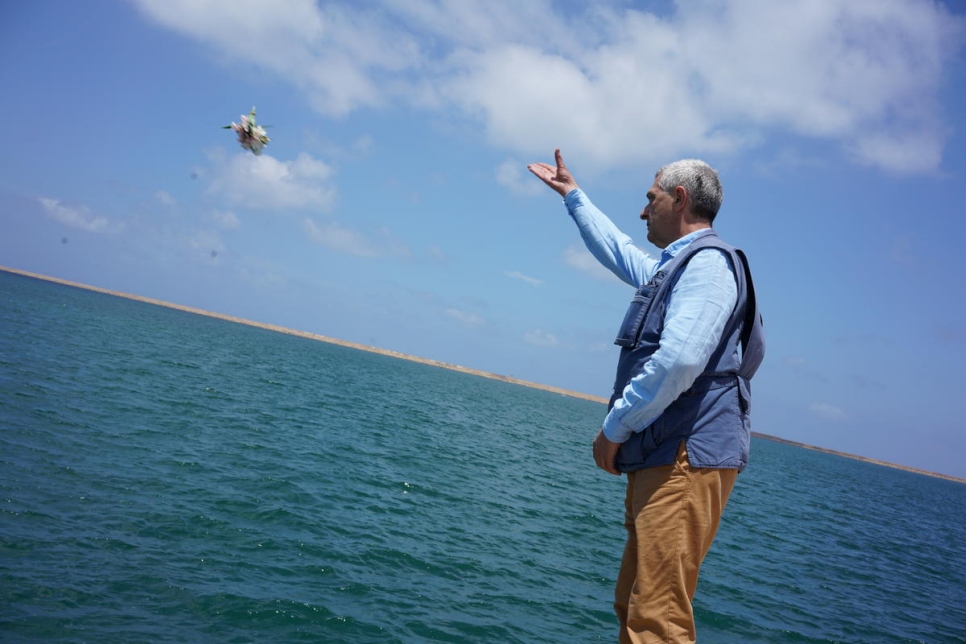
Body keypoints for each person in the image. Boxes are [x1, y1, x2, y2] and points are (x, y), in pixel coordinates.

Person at [528, 149, 764, 643]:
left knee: (656, 618)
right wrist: (574, 197)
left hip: (685, 457)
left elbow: (679, 361)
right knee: (633, 602)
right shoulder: (677, 268)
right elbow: (618, 250)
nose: (642, 211)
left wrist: (613, 429)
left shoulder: (707, 267)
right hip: (668, 452)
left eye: (650, 199)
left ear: (679, 199)